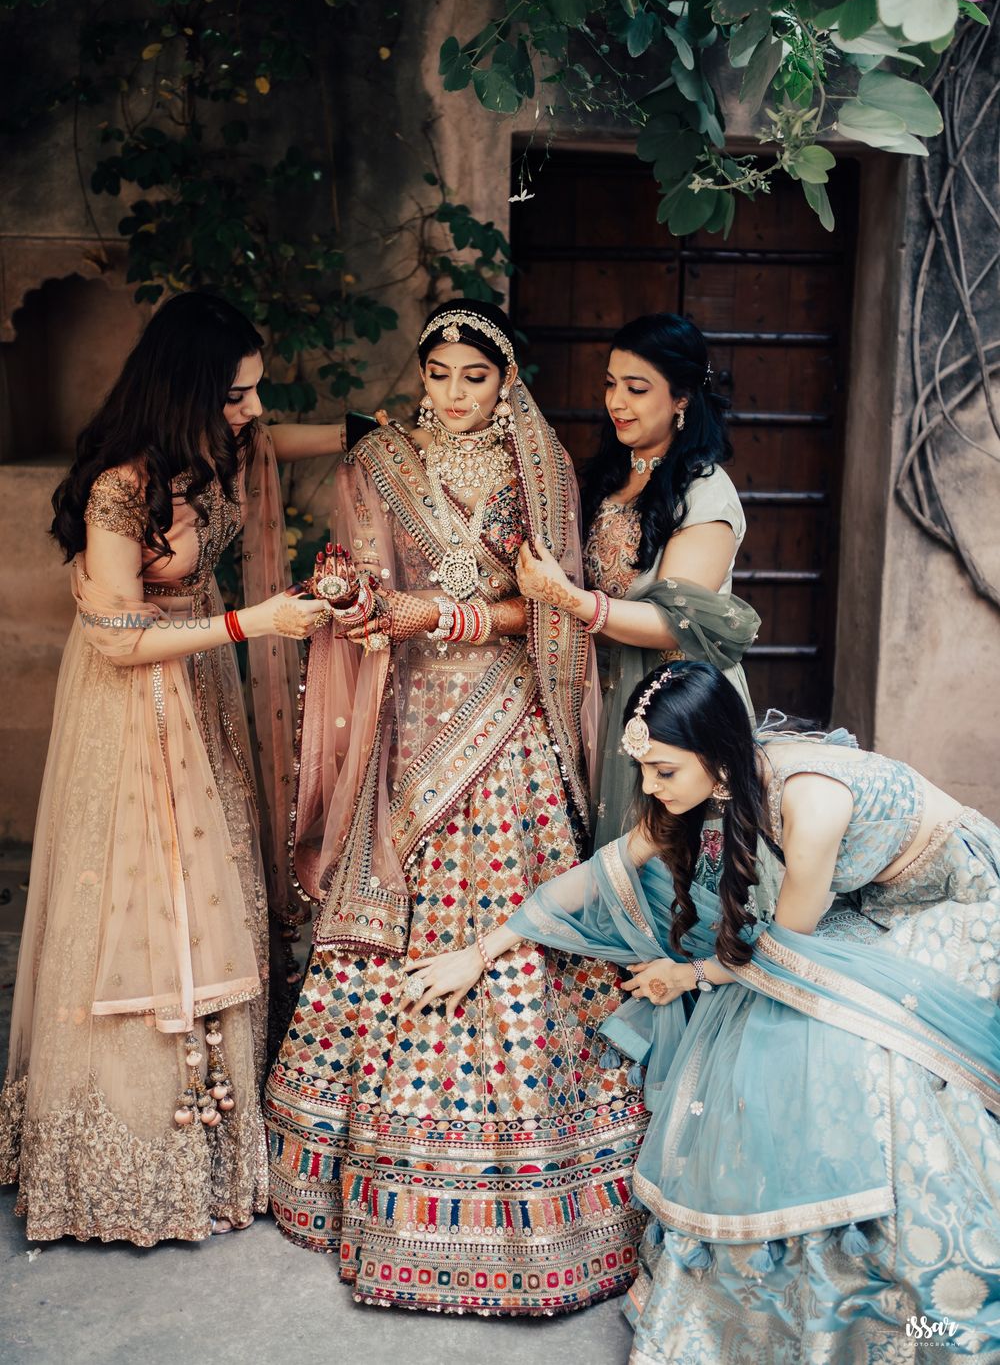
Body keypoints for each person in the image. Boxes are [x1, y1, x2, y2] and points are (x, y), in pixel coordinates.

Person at [406, 661, 1000, 1358]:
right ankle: (777, 1273)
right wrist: (483, 950)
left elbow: (788, 955)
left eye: (663, 771)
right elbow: (612, 868)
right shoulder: (733, 777)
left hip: (957, 901)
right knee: (754, 1026)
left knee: (849, 1050)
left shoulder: (811, 802)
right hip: (862, 905)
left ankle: (895, 1283)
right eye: (645, 771)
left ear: (714, 756)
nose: (651, 788)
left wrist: (688, 975)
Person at [264, 299, 649, 1314]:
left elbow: (550, 608)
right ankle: (358, 1176)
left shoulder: (542, 465)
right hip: (408, 718)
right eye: (437, 373)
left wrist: (446, 610)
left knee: (505, 914)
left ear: (505, 378)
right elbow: (362, 570)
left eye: (473, 377)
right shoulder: (380, 461)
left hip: (503, 712)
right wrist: (348, 594)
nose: (452, 393)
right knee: (394, 908)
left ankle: (523, 1178)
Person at [0, 291, 340, 1245]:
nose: (252, 412)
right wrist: (252, 623)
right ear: (193, 387)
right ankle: (131, 1145)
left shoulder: (213, 456)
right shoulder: (122, 486)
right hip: (134, 707)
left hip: (202, 699)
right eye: (238, 394)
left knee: (222, 886)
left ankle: (220, 1143)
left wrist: (378, 429)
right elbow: (113, 637)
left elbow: (288, 444)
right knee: (151, 906)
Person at [515, 313, 759, 850]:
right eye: (610, 383)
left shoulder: (706, 494)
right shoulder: (613, 473)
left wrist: (567, 599)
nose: (616, 401)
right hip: (604, 690)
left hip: (677, 705)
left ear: (682, 399)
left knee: (668, 867)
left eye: (637, 388)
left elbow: (676, 626)